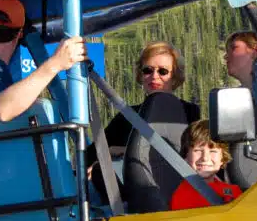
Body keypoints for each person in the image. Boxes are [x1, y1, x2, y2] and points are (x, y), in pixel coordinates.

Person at [85, 41, 198, 203]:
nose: (154, 76)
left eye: (163, 71)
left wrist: (125, 150)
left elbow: (197, 154)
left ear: (175, 77)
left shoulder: (191, 113)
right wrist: (103, 157)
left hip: (180, 193)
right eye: (148, 70)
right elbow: (89, 156)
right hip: (129, 199)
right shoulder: (126, 116)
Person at [169, 119, 241, 210]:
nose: (205, 158)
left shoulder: (233, 191)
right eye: (198, 150)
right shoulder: (182, 196)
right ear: (186, 156)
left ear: (222, 158)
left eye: (213, 151)